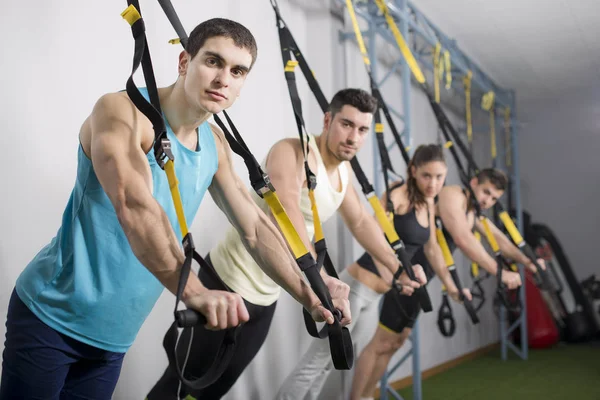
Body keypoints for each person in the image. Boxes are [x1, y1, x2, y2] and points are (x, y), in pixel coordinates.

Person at [0, 18, 352, 400]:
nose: (223, 80)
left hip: (113, 338)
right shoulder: (122, 112)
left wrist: (311, 289)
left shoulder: (214, 145)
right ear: (185, 61)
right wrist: (196, 292)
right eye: (213, 62)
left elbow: (253, 226)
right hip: (51, 317)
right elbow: (135, 208)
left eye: (237, 71)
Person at [146, 88, 428, 400]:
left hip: (268, 294)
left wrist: (398, 267)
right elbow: (287, 214)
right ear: (327, 119)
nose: (353, 137)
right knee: (179, 384)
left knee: (214, 390)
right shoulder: (292, 152)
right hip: (227, 282)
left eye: (362, 129)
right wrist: (319, 281)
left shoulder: (343, 173)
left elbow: (361, 222)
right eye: (346, 125)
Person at [275, 144, 468, 400]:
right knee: (316, 361)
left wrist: (452, 287)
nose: (433, 184)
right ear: (413, 171)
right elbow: (376, 240)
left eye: (439, 177)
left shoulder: (429, 204)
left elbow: (433, 250)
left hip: (376, 296)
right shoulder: (397, 196)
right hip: (355, 288)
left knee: (331, 362)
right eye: (427, 176)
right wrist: (398, 274)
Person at [350, 166, 544, 400]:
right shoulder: (453, 196)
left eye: (494, 198)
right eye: (486, 192)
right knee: (381, 343)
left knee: (396, 342)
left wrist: (528, 261)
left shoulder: (473, 211)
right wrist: (500, 273)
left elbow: (500, 240)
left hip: (421, 282)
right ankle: (357, 397)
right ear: (473, 183)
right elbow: (462, 238)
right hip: (406, 275)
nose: (488, 200)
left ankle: (368, 396)